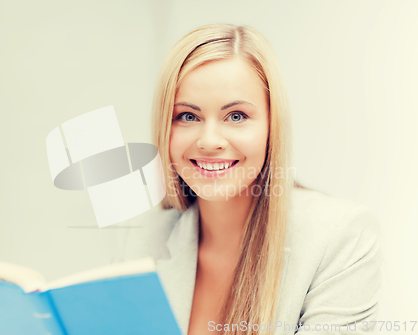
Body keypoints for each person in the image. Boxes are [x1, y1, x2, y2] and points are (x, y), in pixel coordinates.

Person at [114, 24, 382, 335]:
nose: (209, 141)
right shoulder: (141, 238)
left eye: (236, 116)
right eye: (188, 116)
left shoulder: (340, 237)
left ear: (272, 127)